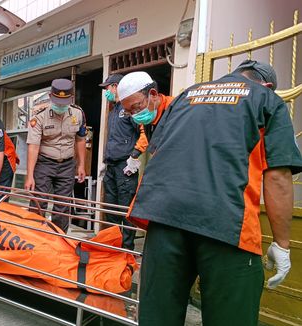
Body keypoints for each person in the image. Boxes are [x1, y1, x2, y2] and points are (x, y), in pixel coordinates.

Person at [127, 60, 302, 325]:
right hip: (226, 223)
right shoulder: (265, 99)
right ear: (266, 86)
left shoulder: (186, 96)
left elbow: (158, 153)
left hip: (163, 219)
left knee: (157, 318)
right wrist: (282, 244)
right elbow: (278, 176)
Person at [25, 78, 87, 233]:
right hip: (44, 163)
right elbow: (33, 146)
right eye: (57, 101)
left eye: (64, 102)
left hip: (67, 165)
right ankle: (34, 237)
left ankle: (59, 239)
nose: (60, 105)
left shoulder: (78, 114)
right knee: (39, 203)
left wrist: (81, 165)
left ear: (71, 99)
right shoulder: (39, 117)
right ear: (50, 96)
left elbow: (80, 140)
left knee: (62, 206)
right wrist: (30, 175)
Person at [99, 73, 141, 250]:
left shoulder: (129, 107)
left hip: (125, 167)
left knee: (126, 212)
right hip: (111, 166)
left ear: (115, 86)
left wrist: (134, 156)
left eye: (107, 88)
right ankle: (113, 247)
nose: (106, 92)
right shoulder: (115, 109)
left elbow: (143, 132)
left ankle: (126, 251)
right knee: (111, 210)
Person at [117, 71, 175, 149]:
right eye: (128, 112)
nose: (134, 115)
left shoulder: (176, 111)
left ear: (153, 94)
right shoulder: (147, 119)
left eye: (136, 107)